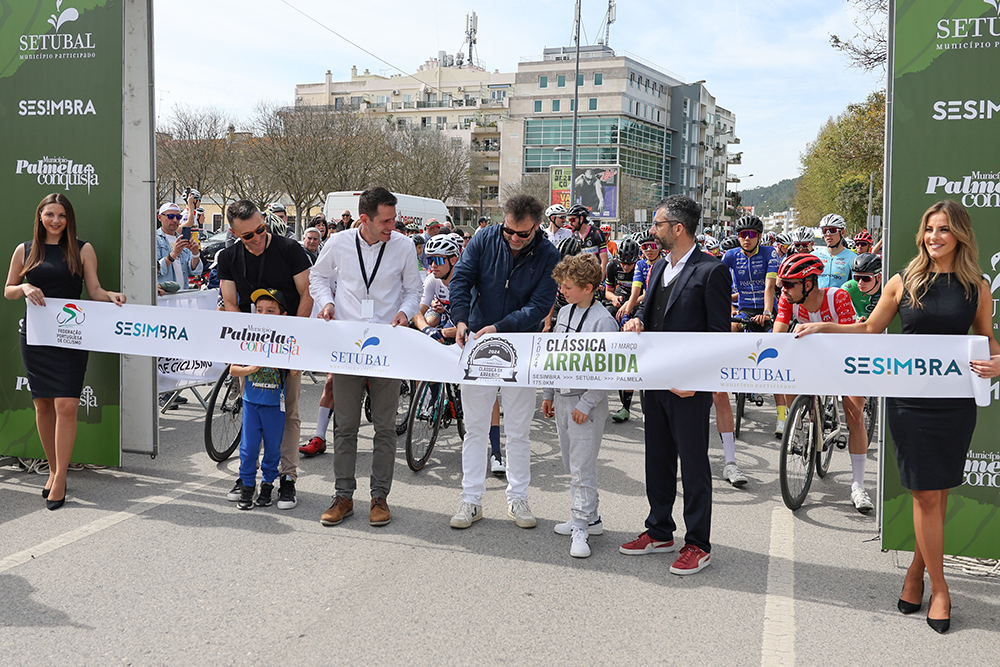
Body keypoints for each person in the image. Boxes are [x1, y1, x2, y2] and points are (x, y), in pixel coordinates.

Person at [795, 200, 1000, 633]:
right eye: (929, 229)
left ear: (960, 234)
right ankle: (940, 590)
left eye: (944, 229)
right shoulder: (903, 280)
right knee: (924, 493)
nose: (934, 237)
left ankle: (915, 572)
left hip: (955, 403)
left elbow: (987, 340)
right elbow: (871, 329)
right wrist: (825, 327)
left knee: (937, 492)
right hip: (910, 403)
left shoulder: (977, 286)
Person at [619, 195, 730, 576]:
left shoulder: (712, 270)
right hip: (655, 381)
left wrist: (698, 381)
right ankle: (659, 530)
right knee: (658, 458)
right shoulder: (657, 267)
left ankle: (698, 543)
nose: (652, 231)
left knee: (694, 465)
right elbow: (650, 313)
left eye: (658, 224)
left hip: (688, 388)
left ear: (678, 229)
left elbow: (719, 336)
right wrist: (636, 320)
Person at [4, 193, 126, 510]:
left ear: (69, 218)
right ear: (40, 216)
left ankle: (59, 478)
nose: (55, 220)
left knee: (67, 405)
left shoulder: (82, 249)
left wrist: (110, 296)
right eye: (50, 214)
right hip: (36, 338)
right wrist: (25, 286)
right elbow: (8, 290)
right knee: (43, 406)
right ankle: (54, 469)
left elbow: (94, 290)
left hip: (71, 336)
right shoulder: (25, 250)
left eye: (61, 215)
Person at [311, 187, 423, 528]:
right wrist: (326, 302)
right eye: (385, 221)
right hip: (348, 347)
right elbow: (318, 276)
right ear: (365, 219)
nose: (392, 226)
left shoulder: (403, 246)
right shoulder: (339, 242)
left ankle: (379, 497)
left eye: (393, 219)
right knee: (345, 426)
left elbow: (414, 290)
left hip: (386, 347)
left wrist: (405, 312)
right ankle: (343, 496)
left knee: (385, 428)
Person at [448, 194, 560, 529]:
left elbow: (540, 305)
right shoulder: (485, 237)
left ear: (536, 227)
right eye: (508, 230)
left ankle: (518, 498)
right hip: (478, 343)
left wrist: (501, 327)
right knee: (475, 428)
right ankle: (471, 500)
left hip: (520, 346)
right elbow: (461, 279)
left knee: (519, 430)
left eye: (522, 234)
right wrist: (460, 319)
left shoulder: (548, 254)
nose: (513, 238)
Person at [217, 200, 313, 510]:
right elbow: (230, 302)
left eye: (261, 229)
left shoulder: (290, 249)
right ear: (235, 233)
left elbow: (307, 294)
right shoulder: (229, 257)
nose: (257, 238)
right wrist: (248, 339)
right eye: (248, 235)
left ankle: (287, 477)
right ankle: (247, 477)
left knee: (288, 414)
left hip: (288, 342)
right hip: (252, 344)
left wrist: (291, 338)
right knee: (253, 410)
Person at [772, 253, 872, 512]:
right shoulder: (788, 300)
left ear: (808, 284)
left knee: (855, 414)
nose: (784, 289)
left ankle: (858, 486)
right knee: (788, 381)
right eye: (782, 284)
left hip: (846, 357)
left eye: (789, 284)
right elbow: (778, 334)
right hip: (815, 357)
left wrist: (820, 327)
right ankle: (799, 422)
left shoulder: (837, 297)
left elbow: (853, 334)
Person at [541, 253, 619, 558]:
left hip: (586, 404)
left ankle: (581, 526)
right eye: (561, 285)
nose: (561, 291)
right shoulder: (564, 313)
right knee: (569, 464)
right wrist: (548, 393)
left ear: (588, 288)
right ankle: (591, 518)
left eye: (568, 287)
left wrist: (586, 404)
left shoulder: (604, 322)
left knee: (581, 468)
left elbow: (610, 371)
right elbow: (554, 356)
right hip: (562, 399)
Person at [718, 214, 778, 485]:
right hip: (742, 309)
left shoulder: (769, 253)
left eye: (752, 234)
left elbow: (769, 285)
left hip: (765, 309)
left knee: (774, 352)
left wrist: (767, 312)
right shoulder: (731, 255)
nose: (747, 238)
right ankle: (735, 371)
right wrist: (729, 308)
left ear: (759, 237)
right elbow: (719, 283)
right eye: (743, 234)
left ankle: (781, 415)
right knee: (732, 329)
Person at [229, 289, 300, 510]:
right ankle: (247, 485)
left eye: (270, 310)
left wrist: (292, 357)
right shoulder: (248, 337)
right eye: (259, 310)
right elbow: (233, 369)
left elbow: (295, 372)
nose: (264, 314)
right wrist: (251, 368)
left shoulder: (287, 341)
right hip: (252, 404)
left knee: (273, 449)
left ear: (283, 315)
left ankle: (268, 485)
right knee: (248, 448)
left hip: (275, 406)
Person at [604, 236, 640, 423]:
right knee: (606, 317)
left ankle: (626, 405)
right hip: (618, 301)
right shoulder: (612, 266)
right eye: (623, 263)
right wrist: (614, 299)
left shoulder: (641, 266)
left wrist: (628, 305)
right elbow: (608, 291)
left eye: (629, 264)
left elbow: (647, 294)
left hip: (636, 303)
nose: (626, 267)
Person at [155, 202, 201, 290]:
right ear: (160, 217)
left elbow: (195, 271)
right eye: (170, 216)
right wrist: (174, 254)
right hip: (164, 294)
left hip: (182, 294)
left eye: (178, 217)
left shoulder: (181, 239)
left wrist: (195, 253)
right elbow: (155, 270)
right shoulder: (154, 239)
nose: (175, 220)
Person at [813, 213, 857, 289]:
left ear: (842, 232)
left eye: (832, 230)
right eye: (825, 230)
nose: (828, 234)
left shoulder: (853, 258)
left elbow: (856, 285)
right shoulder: (814, 256)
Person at [568, 204, 608, 277]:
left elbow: (604, 258)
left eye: (572, 220)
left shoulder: (596, 233)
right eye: (569, 220)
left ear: (581, 218)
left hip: (595, 274)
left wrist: (601, 276)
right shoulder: (574, 236)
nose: (570, 223)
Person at [842, 252, 882, 320]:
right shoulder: (848, 289)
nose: (860, 282)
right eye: (857, 277)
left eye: (866, 278)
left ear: (878, 277)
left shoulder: (888, 287)